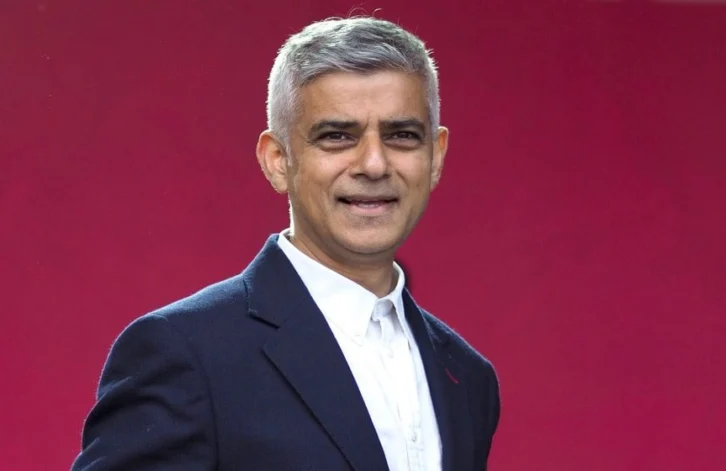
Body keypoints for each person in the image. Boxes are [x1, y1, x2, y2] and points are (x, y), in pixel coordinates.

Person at [72, 16, 500, 471]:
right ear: (277, 160)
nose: (374, 164)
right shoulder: (186, 353)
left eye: (402, 136)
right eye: (337, 136)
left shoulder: (467, 376)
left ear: (435, 157)